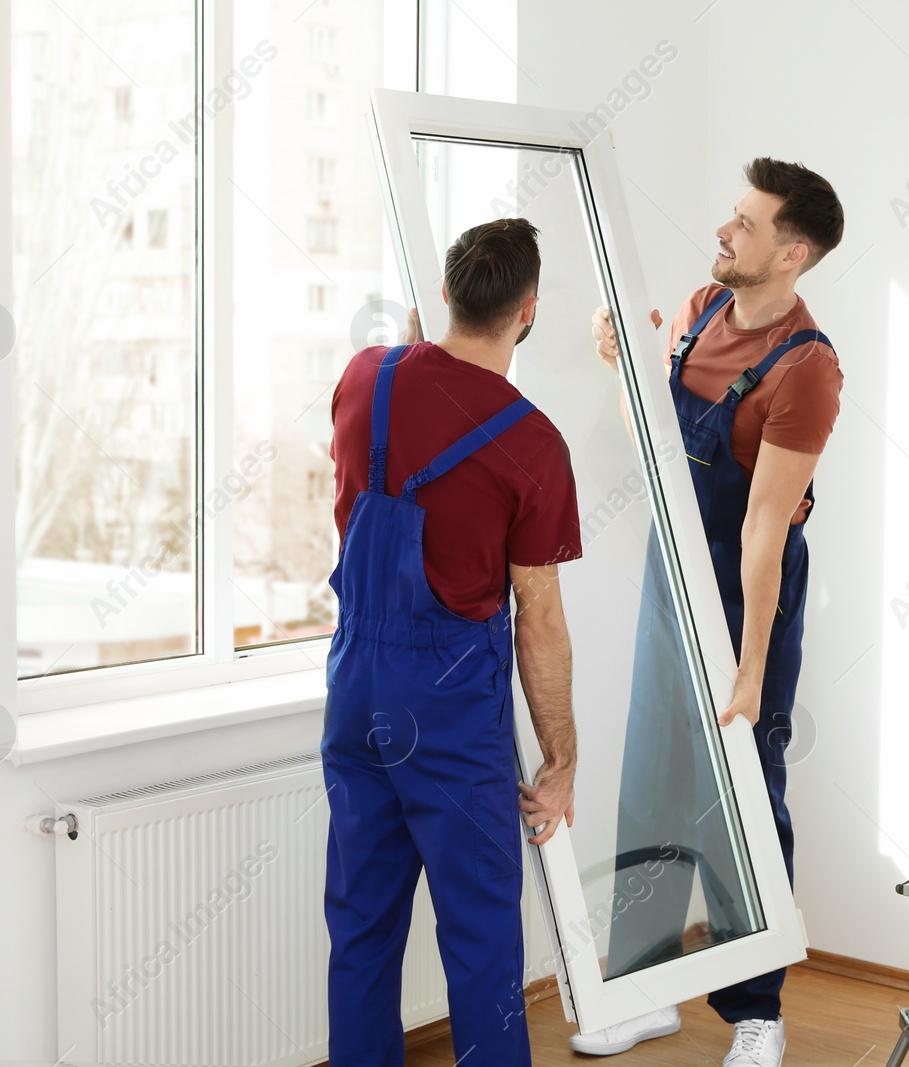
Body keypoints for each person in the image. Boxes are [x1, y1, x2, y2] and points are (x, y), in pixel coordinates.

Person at [572, 158, 845, 1067]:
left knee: (744, 791)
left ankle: (757, 1010)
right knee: (654, 775)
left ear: (791, 252)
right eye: (732, 216)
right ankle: (646, 986)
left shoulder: (806, 370)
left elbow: (765, 530)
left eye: (746, 223)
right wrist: (625, 366)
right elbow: (653, 444)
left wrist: (753, 665)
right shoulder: (696, 311)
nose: (725, 232)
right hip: (671, 569)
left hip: (745, 586)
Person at [322, 217, 580, 1067]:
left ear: (442, 296)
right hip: (448, 707)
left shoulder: (368, 377)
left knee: (360, 927)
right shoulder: (534, 445)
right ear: (529, 311)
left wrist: (411, 350)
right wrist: (561, 756)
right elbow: (537, 618)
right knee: (480, 941)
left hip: (355, 687)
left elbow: (388, 451)